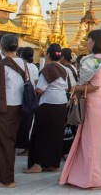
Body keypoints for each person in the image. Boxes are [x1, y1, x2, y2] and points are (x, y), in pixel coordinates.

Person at [59, 30, 101, 189]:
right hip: (98, 100)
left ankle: (95, 178)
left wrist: (78, 87)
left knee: (92, 141)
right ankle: (87, 175)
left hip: (94, 101)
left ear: (95, 41)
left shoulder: (96, 60)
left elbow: (95, 85)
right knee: (91, 139)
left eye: (88, 38)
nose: (87, 41)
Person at [24, 44, 68, 174]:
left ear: (48, 55)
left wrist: (35, 85)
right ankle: (52, 163)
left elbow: (40, 89)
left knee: (40, 134)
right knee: (56, 134)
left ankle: (37, 164)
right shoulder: (63, 68)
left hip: (48, 103)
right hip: (61, 103)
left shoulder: (48, 69)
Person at [0, 34, 27, 188]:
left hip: (5, 108)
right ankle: (4, 176)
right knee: (9, 142)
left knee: (4, 142)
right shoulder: (23, 63)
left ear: (2, 46)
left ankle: (6, 179)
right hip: (19, 106)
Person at [15, 47, 39, 156]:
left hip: (22, 95)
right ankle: (25, 146)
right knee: (27, 122)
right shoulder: (34, 66)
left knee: (20, 122)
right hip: (31, 95)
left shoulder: (21, 65)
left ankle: (22, 144)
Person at [59, 48, 79, 157]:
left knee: (66, 126)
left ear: (62, 57)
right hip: (73, 97)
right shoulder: (73, 68)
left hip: (68, 98)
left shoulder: (65, 69)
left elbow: (69, 86)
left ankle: (65, 151)